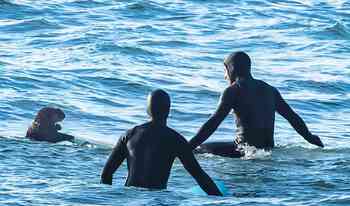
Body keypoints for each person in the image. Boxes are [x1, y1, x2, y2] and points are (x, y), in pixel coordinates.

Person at [189, 51, 324, 157]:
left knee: (199, 150)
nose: (225, 76)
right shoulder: (270, 90)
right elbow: (292, 117)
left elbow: (214, 122)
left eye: (225, 71)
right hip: (268, 149)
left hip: (245, 150)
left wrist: (189, 146)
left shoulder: (233, 90)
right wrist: (310, 137)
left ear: (231, 69)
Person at [100, 89, 222, 196]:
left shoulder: (129, 135)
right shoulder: (176, 139)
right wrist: (221, 200)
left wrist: (110, 201)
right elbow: (200, 176)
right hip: (157, 200)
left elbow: (106, 174)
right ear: (168, 111)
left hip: (130, 198)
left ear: (147, 110)